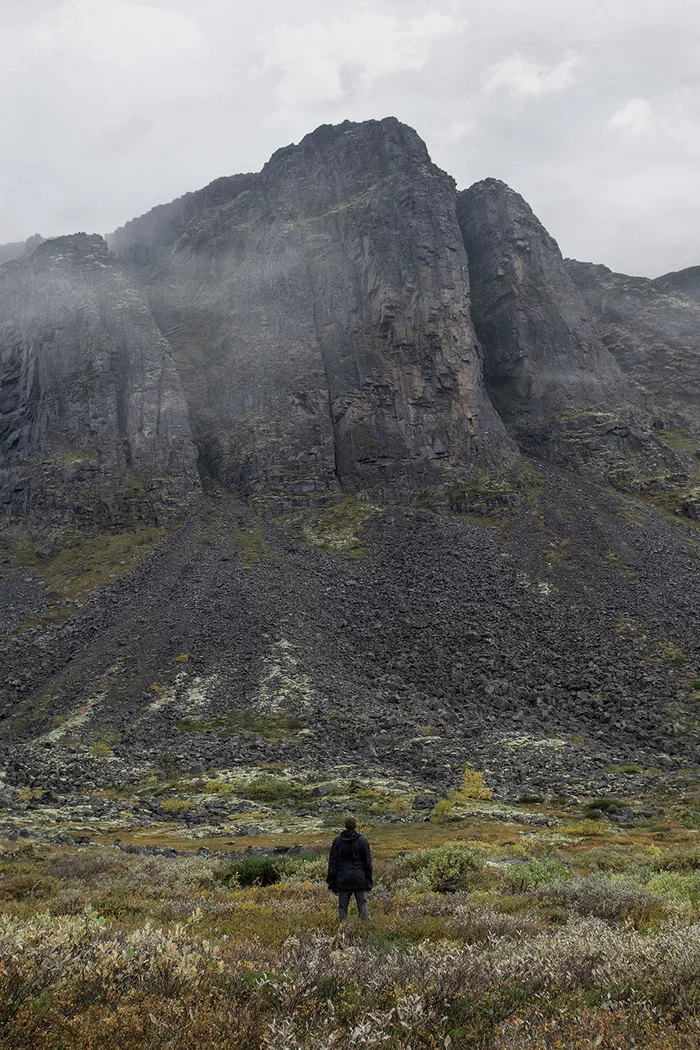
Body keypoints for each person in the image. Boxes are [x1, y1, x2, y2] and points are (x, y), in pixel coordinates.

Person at [327, 814, 373, 921]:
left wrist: (332, 882)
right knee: (362, 905)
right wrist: (369, 881)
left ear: (345, 826)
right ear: (356, 825)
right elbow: (368, 862)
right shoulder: (362, 840)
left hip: (343, 879)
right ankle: (366, 929)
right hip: (359, 878)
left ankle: (342, 931)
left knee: (342, 908)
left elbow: (333, 863)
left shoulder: (337, 841)